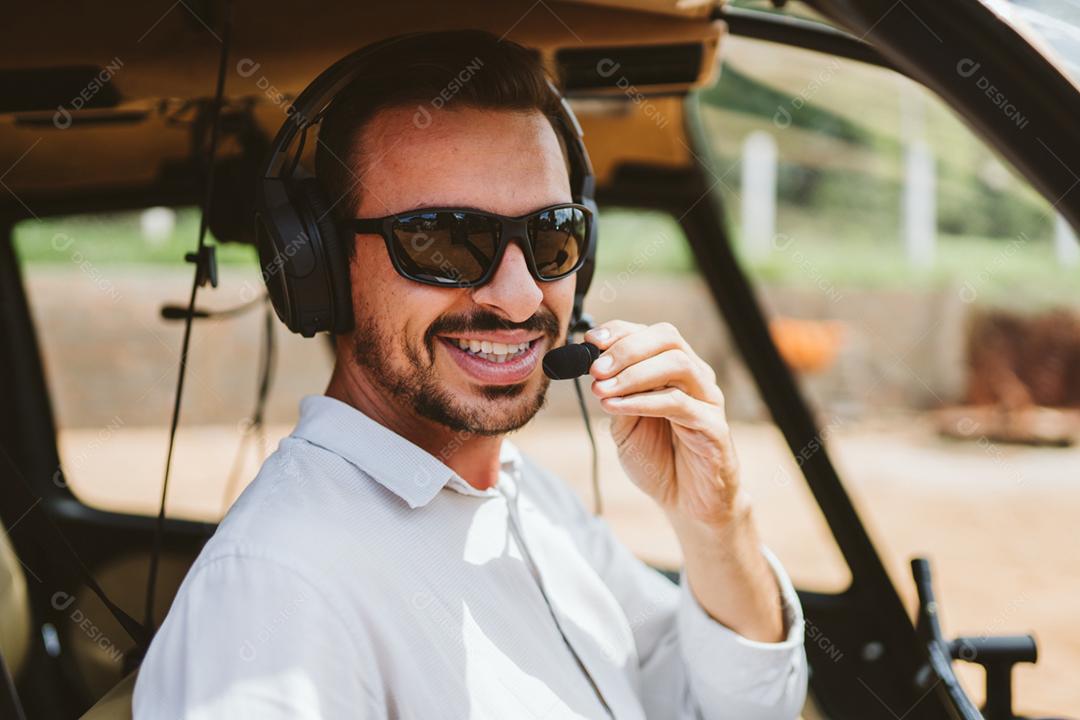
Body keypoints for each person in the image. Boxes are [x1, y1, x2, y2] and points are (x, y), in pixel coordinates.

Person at [133, 29, 808, 719]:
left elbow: (722, 707)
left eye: (552, 236)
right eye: (444, 239)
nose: (518, 297)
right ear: (324, 267)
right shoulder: (274, 589)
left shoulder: (529, 498)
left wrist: (716, 522)